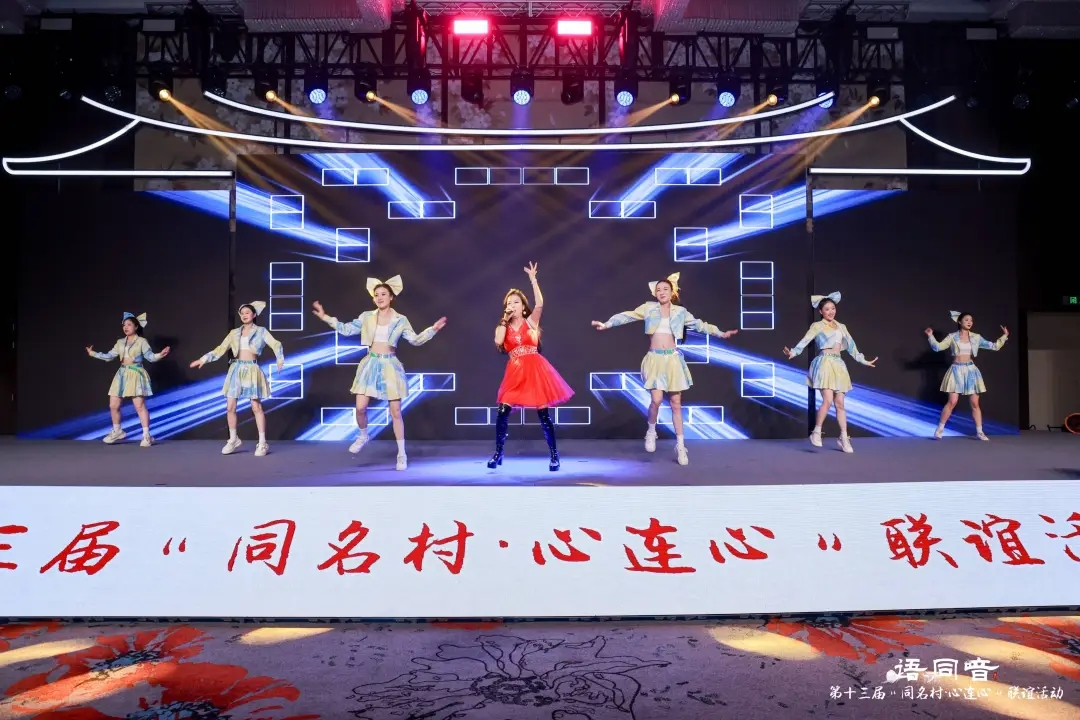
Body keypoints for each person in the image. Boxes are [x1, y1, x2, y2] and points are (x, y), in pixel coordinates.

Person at [592, 272, 738, 466]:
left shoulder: (680, 312)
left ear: (672, 292)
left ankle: (681, 446)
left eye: (665, 289)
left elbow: (699, 325)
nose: (661, 292)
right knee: (656, 400)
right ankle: (651, 431)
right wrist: (607, 324)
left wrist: (720, 333)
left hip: (673, 360)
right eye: (658, 289)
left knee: (676, 404)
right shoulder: (648, 308)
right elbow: (627, 315)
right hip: (655, 360)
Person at [312, 275, 447, 471]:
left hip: (390, 366)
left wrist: (432, 330)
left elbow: (415, 340)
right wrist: (325, 317)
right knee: (360, 408)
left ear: (391, 297)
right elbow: (346, 329)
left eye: (383, 294)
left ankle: (401, 454)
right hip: (370, 364)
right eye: (376, 295)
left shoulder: (400, 320)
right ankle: (363, 435)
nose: (379, 297)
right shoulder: (367, 316)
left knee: (396, 412)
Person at [489, 262, 573, 471]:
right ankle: (498, 454)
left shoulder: (531, 322)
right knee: (502, 411)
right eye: (509, 302)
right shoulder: (503, 326)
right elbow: (498, 341)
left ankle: (554, 456)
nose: (512, 305)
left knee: (544, 416)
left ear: (523, 306)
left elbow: (540, 303)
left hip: (535, 371)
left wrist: (533, 279)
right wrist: (504, 320)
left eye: (516, 302)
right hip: (515, 372)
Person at [783, 292, 877, 453]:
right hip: (824, 363)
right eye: (827, 309)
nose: (831, 311)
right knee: (827, 400)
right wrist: (793, 352)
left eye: (833, 308)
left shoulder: (842, 326)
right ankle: (816, 432)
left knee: (840, 403)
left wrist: (863, 360)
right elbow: (805, 341)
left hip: (838, 365)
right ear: (821, 311)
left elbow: (852, 347)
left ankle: (844, 437)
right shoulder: (817, 326)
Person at [189, 301, 284, 457]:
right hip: (236, 369)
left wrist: (280, 359)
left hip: (252, 369)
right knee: (230, 407)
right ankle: (233, 439)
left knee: (256, 407)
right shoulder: (234, 333)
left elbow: (276, 344)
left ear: (254, 315)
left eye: (247, 312)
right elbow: (220, 349)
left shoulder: (261, 331)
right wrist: (203, 359)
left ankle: (262, 443)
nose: (244, 315)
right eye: (242, 313)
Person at [86, 312, 170, 447]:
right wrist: (93, 353)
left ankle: (146, 435)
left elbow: (150, 357)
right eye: (124, 325)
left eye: (129, 325)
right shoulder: (120, 342)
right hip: (122, 374)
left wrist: (160, 354)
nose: (126, 327)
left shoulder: (141, 341)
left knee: (139, 406)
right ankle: (117, 431)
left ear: (136, 327)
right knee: (113, 405)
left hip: (136, 373)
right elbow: (109, 356)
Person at [926, 311, 1008, 441]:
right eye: (966, 320)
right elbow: (938, 347)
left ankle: (980, 432)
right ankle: (939, 429)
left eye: (971, 320)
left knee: (975, 403)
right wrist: (931, 336)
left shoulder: (976, 337)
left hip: (971, 371)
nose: (969, 322)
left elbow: (994, 346)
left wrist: (1004, 336)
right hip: (956, 370)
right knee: (952, 402)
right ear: (960, 322)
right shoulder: (952, 337)